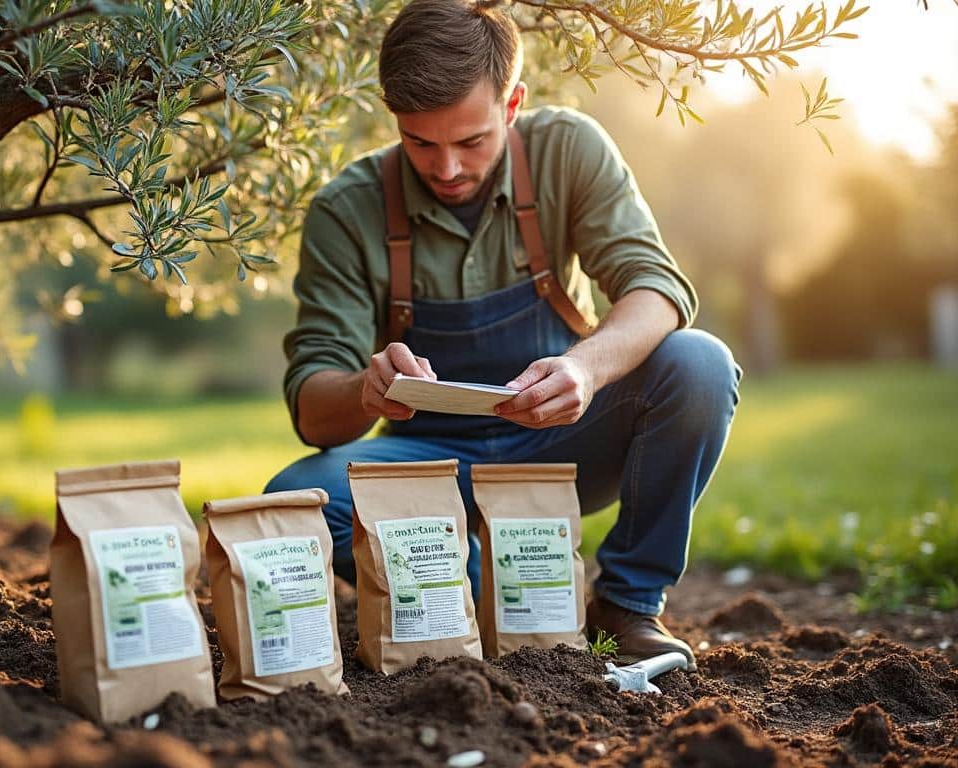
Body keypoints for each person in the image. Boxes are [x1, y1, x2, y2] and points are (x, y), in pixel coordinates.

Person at [263, 0, 741, 664]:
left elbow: (657, 291)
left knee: (700, 365)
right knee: (297, 501)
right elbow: (315, 412)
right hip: (429, 469)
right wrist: (368, 392)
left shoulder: (568, 150)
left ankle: (627, 604)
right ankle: (489, 604)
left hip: (560, 442)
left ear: (512, 104)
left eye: (472, 141)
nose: (448, 168)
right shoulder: (346, 211)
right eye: (421, 143)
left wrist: (585, 369)